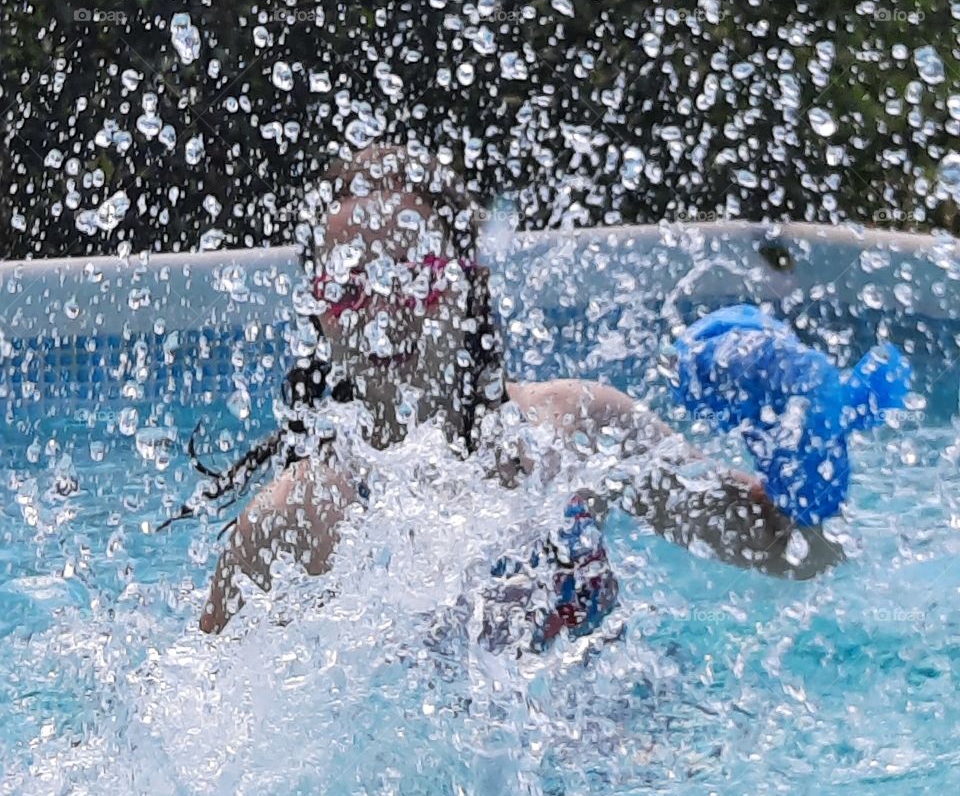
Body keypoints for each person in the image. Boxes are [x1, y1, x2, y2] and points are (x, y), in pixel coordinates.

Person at [186, 145, 844, 642]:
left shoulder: (581, 428)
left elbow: (795, 554)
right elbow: (198, 720)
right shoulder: (301, 513)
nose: (382, 310)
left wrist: (804, 456)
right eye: (350, 284)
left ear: (470, 285)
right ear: (319, 311)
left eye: (415, 275)